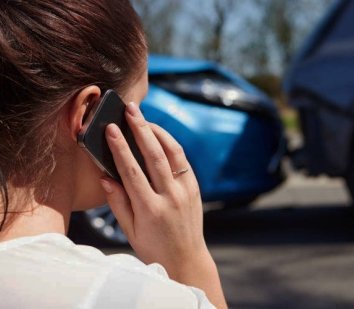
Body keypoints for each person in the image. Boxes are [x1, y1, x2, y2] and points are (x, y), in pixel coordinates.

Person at [0, 1, 227, 308]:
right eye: (137, 107)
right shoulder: (132, 296)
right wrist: (190, 261)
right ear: (88, 114)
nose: (143, 127)